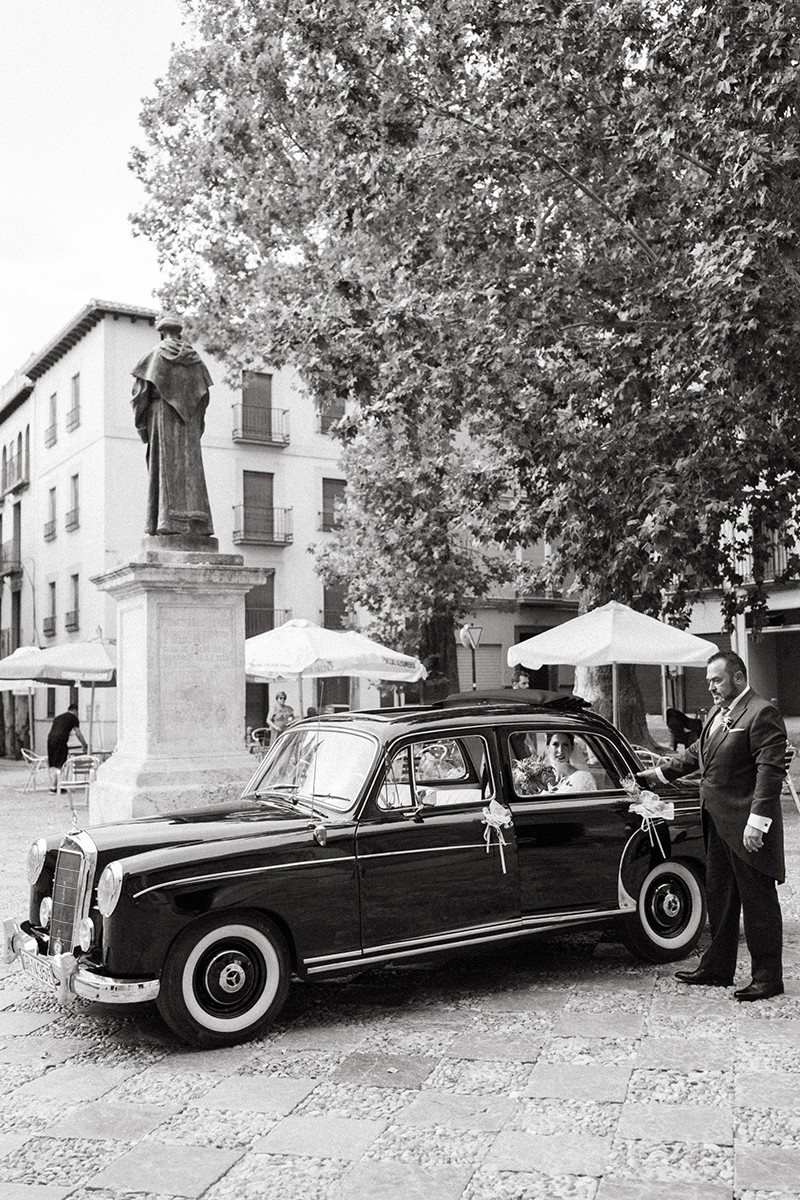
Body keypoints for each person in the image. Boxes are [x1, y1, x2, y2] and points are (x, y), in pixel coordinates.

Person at [638, 650, 787, 1002]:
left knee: (758, 902)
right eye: (708, 682)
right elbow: (695, 754)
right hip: (717, 821)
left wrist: (758, 822)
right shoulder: (718, 716)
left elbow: (770, 771)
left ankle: (768, 977)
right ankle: (717, 968)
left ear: (737, 677)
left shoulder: (761, 712)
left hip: (748, 826)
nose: (711, 688)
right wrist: (656, 774)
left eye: (716, 680)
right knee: (720, 897)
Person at [131, 312, 214, 538]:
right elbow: (204, 396)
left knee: (164, 469)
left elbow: (140, 395)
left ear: (161, 333)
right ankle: (198, 524)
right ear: (180, 333)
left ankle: (164, 522)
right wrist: (196, 422)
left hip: (162, 416)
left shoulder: (154, 357)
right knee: (191, 470)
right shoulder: (196, 361)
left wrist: (143, 426)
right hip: (190, 423)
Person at [47, 703, 87, 791]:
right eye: (77, 712)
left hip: (50, 739)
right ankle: (58, 786)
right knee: (61, 763)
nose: (77, 714)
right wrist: (84, 745)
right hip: (60, 740)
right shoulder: (73, 718)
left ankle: (53, 786)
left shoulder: (58, 717)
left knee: (53, 762)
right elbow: (78, 733)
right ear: (75, 711)